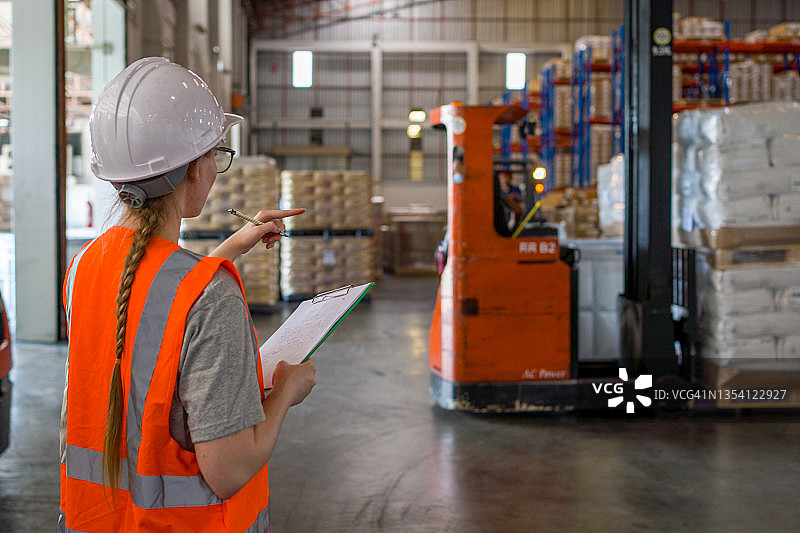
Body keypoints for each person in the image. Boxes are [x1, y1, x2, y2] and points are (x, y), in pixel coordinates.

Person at [58, 57, 316, 532]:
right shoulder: (210, 295)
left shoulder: (84, 266)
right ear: (194, 169)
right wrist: (285, 392)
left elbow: (153, 305)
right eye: (216, 156)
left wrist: (236, 244)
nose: (217, 170)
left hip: (94, 520)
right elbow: (230, 471)